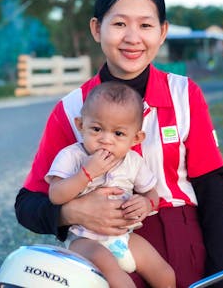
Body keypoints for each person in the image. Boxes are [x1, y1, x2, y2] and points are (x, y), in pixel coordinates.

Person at [15, 0, 223, 288]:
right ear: (96, 28)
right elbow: (28, 206)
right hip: (98, 253)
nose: (133, 37)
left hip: (182, 243)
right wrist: (74, 212)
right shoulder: (71, 108)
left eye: (146, 25)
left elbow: (213, 193)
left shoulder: (185, 95)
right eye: (119, 24)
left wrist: (222, 279)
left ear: (162, 32)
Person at [46, 81, 176, 288]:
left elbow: (151, 193)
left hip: (122, 237)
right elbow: (55, 195)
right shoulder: (72, 156)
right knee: (117, 277)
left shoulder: (133, 161)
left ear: (136, 138)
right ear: (81, 125)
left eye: (118, 134)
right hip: (84, 239)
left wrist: (146, 204)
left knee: (165, 275)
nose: (106, 140)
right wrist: (86, 173)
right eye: (97, 129)